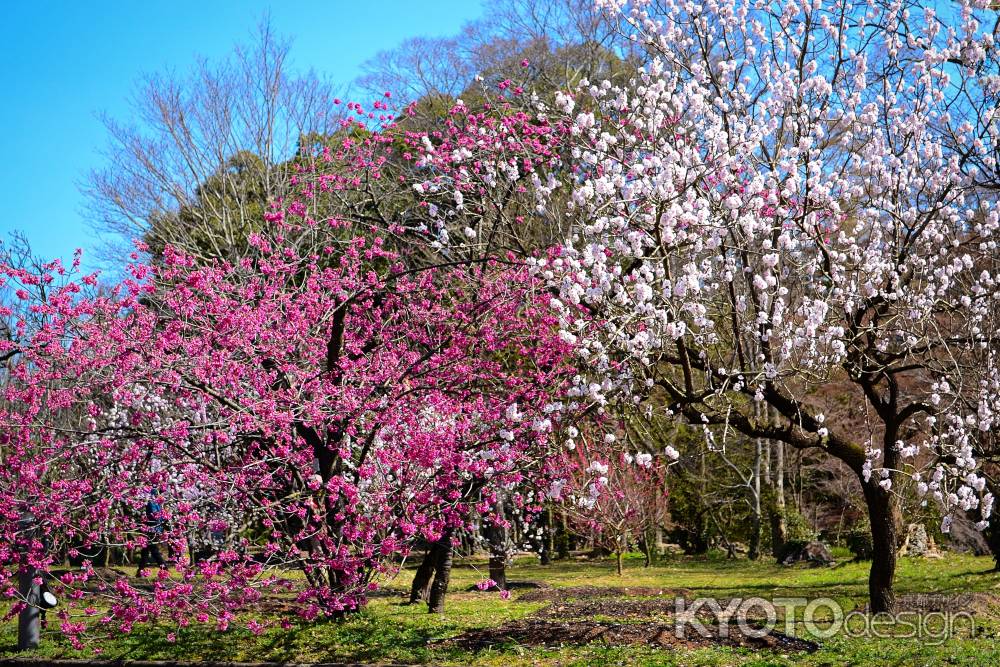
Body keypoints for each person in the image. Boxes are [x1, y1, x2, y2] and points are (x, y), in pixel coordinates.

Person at [136, 490, 166, 575]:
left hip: (152, 529)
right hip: (153, 528)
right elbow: (157, 516)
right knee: (146, 550)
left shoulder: (153, 503)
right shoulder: (155, 503)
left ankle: (164, 568)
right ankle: (140, 570)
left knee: (153, 550)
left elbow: (155, 516)